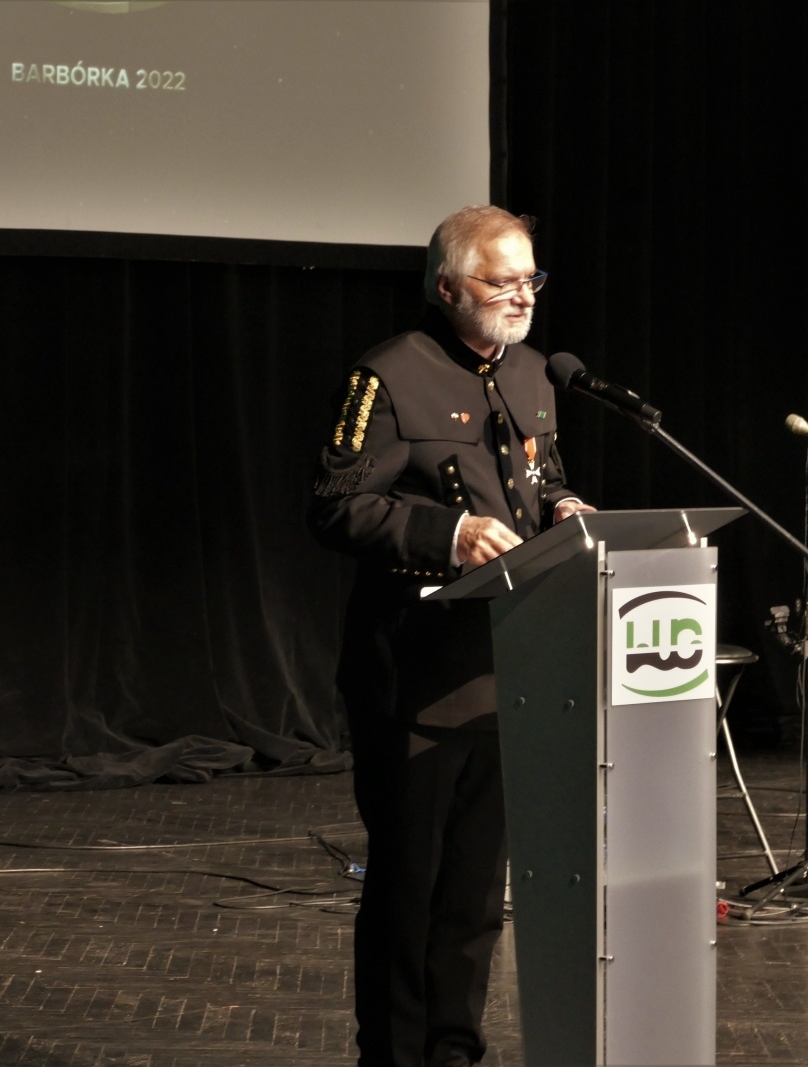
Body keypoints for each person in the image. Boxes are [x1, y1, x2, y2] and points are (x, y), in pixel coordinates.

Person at [308, 205, 593, 1067]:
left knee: (474, 895)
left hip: (511, 669)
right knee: (409, 891)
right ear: (447, 286)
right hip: (416, 677)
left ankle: (456, 1052)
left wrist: (565, 507)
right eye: (502, 281)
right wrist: (449, 533)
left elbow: (541, 478)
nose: (523, 296)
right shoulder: (390, 374)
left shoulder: (536, 373)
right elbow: (336, 505)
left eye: (531, 279)